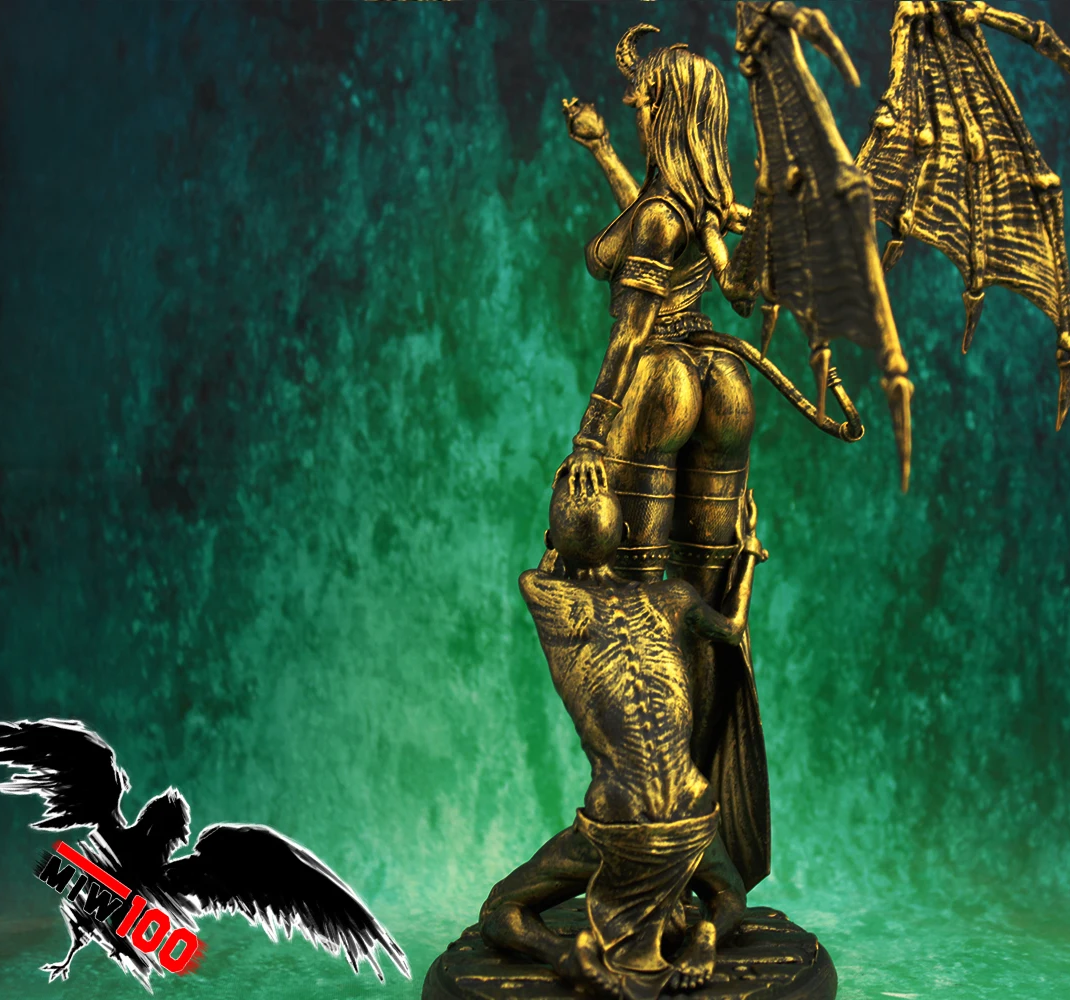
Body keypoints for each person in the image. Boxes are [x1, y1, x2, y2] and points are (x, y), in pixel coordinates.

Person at [556, 23, 772, 893]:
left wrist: (590, 436)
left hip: (658, 384)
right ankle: (702, 832)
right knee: (707, 605)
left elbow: (633, 327)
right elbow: (658, 225)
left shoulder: (661, 213)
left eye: (643, 103)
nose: (631, 112)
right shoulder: (697, 204)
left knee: (638, 608)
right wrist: (601, 151)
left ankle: (654, 828)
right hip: (721, 382)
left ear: (671, 113)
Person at [479, 469, 767, 1000]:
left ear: (551, 542)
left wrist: (572, 495)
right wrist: (747, 552)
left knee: (500, 909)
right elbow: (731, 628)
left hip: (619, 821)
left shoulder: (542, 591)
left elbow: (550, 564)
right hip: (691, 810)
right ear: (629, 535)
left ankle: (566, 956)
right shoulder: (674, 597)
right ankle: (705, 936)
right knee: (729, 898)